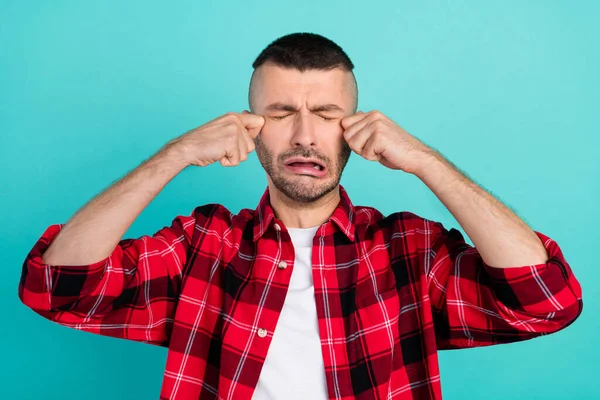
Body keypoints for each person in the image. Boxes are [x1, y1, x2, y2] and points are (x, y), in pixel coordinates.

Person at [18, 32, 583, 400]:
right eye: (282, 112)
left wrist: (427, 163)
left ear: (355, 127)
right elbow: (56, 287)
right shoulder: (204, 245)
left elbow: (547, 302)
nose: (306, 136)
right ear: (249, 123)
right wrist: (173, 157)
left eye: (327, 113)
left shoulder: (409, 250)